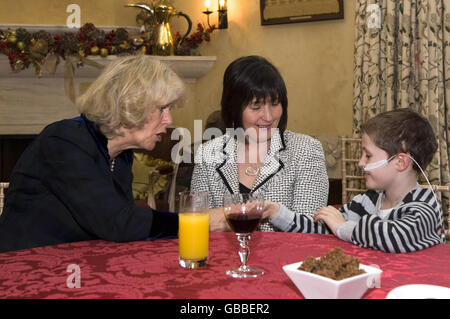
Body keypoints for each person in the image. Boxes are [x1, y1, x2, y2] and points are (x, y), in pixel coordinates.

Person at [0, 55, 226, 253]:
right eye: (162, 109)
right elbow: (117, 222)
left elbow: (120, 229)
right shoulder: (64, 140)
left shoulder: (120, 156)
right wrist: (203, 221)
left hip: (73, 264)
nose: (169, 120)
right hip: (23, 268)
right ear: (131, 104)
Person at [264, 108, 445, 253]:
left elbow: (395, 236)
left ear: (400, 162)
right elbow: (325, 229)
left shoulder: (425, 206)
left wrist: (343, 227)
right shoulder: (365, 202)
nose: (360, 163)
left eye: (368, 155)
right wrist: (278, 213)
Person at [191, 55, 329, 231]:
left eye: (275, 104)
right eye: (256, 107)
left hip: (285, 258)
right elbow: (194, 223)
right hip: (222, 258)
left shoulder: (306, 150)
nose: (269, 117)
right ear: (234, 108)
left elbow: (312, 228)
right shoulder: (208, 153)